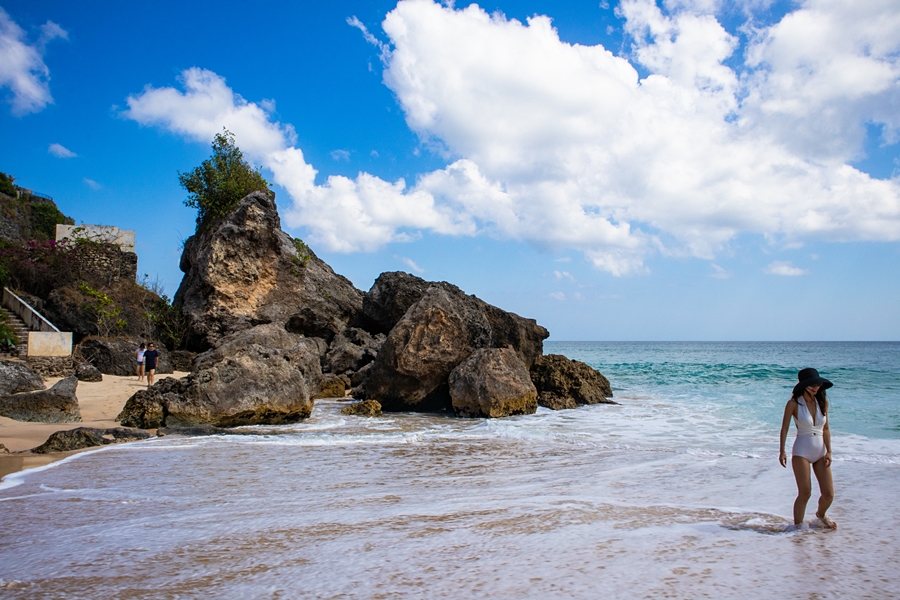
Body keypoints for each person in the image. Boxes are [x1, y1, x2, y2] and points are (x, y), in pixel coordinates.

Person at [779, 368, 837, 530]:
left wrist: (829, 451)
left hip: (820, 452)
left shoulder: (822, 402)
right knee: (805, 493)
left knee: (829, 494)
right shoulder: (793, 404)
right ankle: (798, 528)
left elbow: (826, 429)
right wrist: (782, 450)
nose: (815, 387)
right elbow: (784, 428)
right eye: (812, 384)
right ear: (803, 385)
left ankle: (820, 515)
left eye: (818, 384)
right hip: (801, 451)